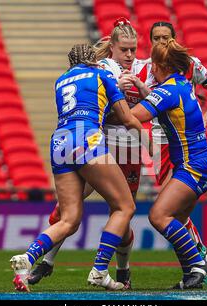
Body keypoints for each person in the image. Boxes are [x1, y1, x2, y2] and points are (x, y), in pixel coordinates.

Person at [9, 44, 150, 292]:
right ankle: (100, 270)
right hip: (87, 138)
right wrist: (148, 141)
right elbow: (126, 118)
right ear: (94, 60)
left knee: (69, 219)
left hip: (60, 141)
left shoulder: (61, 80)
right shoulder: (103, 74)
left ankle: (28, 259)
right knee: (124, 206)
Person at [129, 39, 207, 289]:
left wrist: (110, 99)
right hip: (199, 163)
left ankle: (199, 265)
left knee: (158, 216)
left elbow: (134, 116)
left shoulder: (168, 90)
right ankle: (193, 273)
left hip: (194, 166)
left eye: (152, 65)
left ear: (158, 66)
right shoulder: (181, 83)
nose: (150, 69)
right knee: (176, 218)